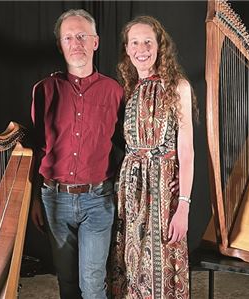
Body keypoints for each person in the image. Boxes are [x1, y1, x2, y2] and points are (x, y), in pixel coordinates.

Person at [29, 9, 124, 299]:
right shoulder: (44, 90)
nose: (76, 43)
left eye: (82, 36)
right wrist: (34, 196)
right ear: (60, 45)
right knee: (67, 283)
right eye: (68, 37)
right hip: (54, 199)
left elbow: (125, 146)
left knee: (93, 284)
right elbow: (38, 146)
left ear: (95, 42)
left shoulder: (115, 91)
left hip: (98, 201)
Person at [109, 15, 198, 299]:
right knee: (131, 267)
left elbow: (186, 149)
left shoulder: (178, 87)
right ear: (127, 49)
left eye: (148, 41)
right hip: (130, 189)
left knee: (161, 265)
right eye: (134, 42)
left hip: (161, 190)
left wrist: (183, 203)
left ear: (160, 46)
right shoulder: (129, 88)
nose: (141, 48)